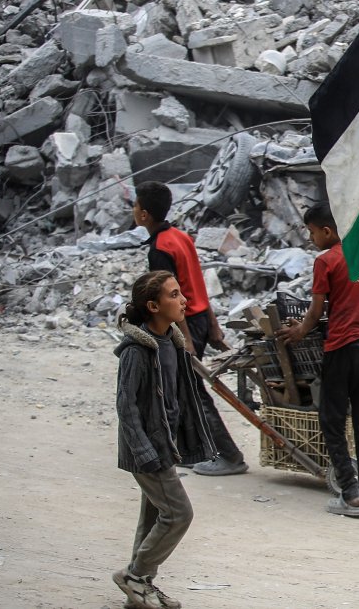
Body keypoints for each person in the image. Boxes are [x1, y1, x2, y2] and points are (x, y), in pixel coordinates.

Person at [277, 203, 359, 517]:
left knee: (332, 421)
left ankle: (351, 494)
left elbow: (315, 311)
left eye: (312, 232)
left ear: (327, 231)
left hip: (341, 348)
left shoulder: (325, 261)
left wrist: (299, 332)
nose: (311, 238)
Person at [113, 270, 216, 609]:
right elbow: (126, 406)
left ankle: (138, 593)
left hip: (165, 446)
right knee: (178, 514)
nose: (183, 299)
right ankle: (135, 576)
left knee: (154, 517)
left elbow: (176, 399)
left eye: (180, 292)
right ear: (153, 306)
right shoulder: (136, 350)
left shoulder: (171, 342)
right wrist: (144, 451)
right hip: (147, 449)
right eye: (174, 295)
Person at [133, 181, 248, 477]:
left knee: (192, 392)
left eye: (135, 206)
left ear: (144, 214)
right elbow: (197, 282)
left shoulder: (160, 249)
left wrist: (183, 339)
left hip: (184, 324)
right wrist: (212, 324)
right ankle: (190, 449)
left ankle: (231, 456)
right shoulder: (180, 238)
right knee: (181, 390)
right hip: (197, 318)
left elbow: (173, 297)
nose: (133, 210)